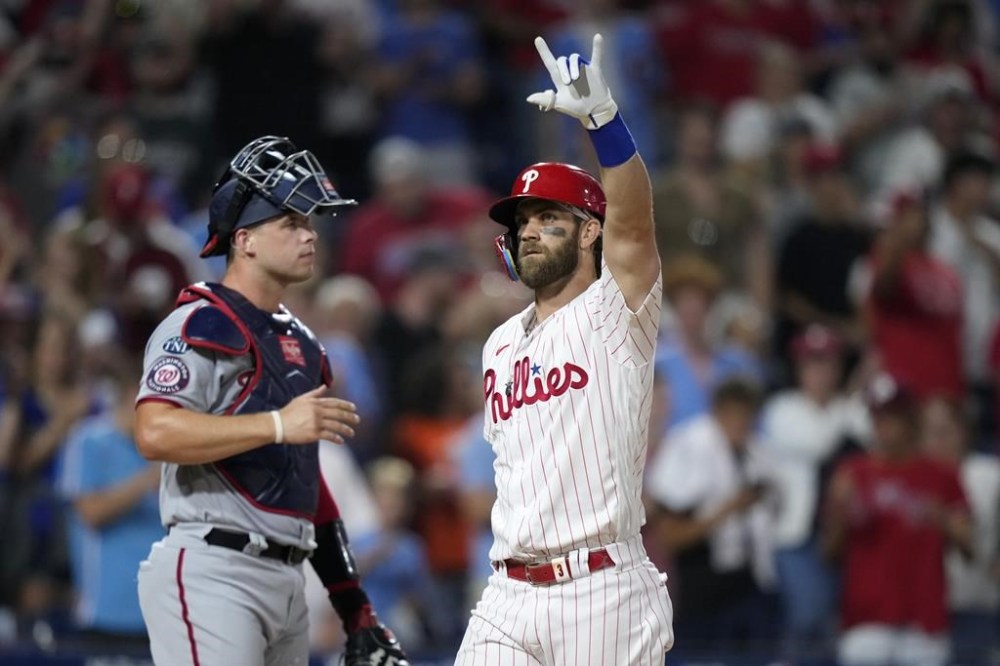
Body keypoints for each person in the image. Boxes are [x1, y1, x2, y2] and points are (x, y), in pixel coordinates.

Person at [133, 136, 408, 666]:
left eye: (309, 225)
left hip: (289, 576)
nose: (310, 236)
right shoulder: (198, 322)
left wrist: (354, 606)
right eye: (292, 224)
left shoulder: (302, 342)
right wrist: (278, 424)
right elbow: (155, 433)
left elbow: (306, 483)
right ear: (245, 240)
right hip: (215, 567)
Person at [455, 34, 674, 665]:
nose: (528, 230)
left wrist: (604, 123)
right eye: (522, 221)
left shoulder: (615, 306)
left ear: (589, 231)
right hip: (507, 592)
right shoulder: (498, 344)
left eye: (548, 217)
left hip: (601, 589)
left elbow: (635, 229)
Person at [824, 374, 972, 666]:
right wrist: (841, 511)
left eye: (891, 415)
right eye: (876, 414)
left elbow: (970, 548)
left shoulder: (940, 474)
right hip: (866, 617)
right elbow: (829, 552)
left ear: (910, 419)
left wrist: (943, 519)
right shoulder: (852, 472)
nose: (882, 424)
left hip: (924, 618)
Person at [646, 377, 776, 651]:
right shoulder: (692, 446)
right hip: (701, 584)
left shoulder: (755, 453)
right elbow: (670, 536)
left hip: (748, 583)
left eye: (747, 417)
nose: (741, 424)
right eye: (734, 416)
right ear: (718, 412)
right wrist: (728, 509)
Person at [56, 363, 163, 649]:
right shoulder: (89, 440)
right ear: (133, 395)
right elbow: (91, 512)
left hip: (164, 616)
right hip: (108, 614)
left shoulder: (166, 449)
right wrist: (148, 478)